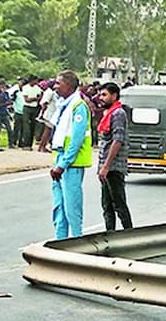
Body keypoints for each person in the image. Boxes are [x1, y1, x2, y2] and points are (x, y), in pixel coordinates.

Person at [46, 70, 93, 239]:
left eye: (59, 83)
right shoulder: (63, 105)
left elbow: (76, 140)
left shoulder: (78, 107)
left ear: (69, 85)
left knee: (71, 207)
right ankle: (61, 241)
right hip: (59, 159)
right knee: (59, 207)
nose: (55, 87)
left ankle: (77, 242)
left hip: (71, 163)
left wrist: (63, 164)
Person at [97, 82, 133, 232]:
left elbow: (118, 140)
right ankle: (110, 234)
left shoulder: (118, 114)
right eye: (100, 94)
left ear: (114, 96)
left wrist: (106, 166)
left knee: (118, 203)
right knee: (107, 205)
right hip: (106, 166)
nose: (101, 98)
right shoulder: (109, 113)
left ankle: (129, 234)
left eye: (104, 95)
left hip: (114, 167)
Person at [21, 75, 42, 149]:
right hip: (27, 108)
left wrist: (33, 99)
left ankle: (30, 144)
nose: (36, 82)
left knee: (33, 126)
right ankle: (25, 144)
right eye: (35, 80)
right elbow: (26, 100)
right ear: (32, 80)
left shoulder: (38, 88)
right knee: (26, 126)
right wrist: (35, 98)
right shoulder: (25, 88)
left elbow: (39, 98)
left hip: (34, 108)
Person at [0, 80, 13, 148]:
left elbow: (10, 101)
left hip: (5, 112)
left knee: (9, 129)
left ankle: (11, 144)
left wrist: (3, 104)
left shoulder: (6, 93)